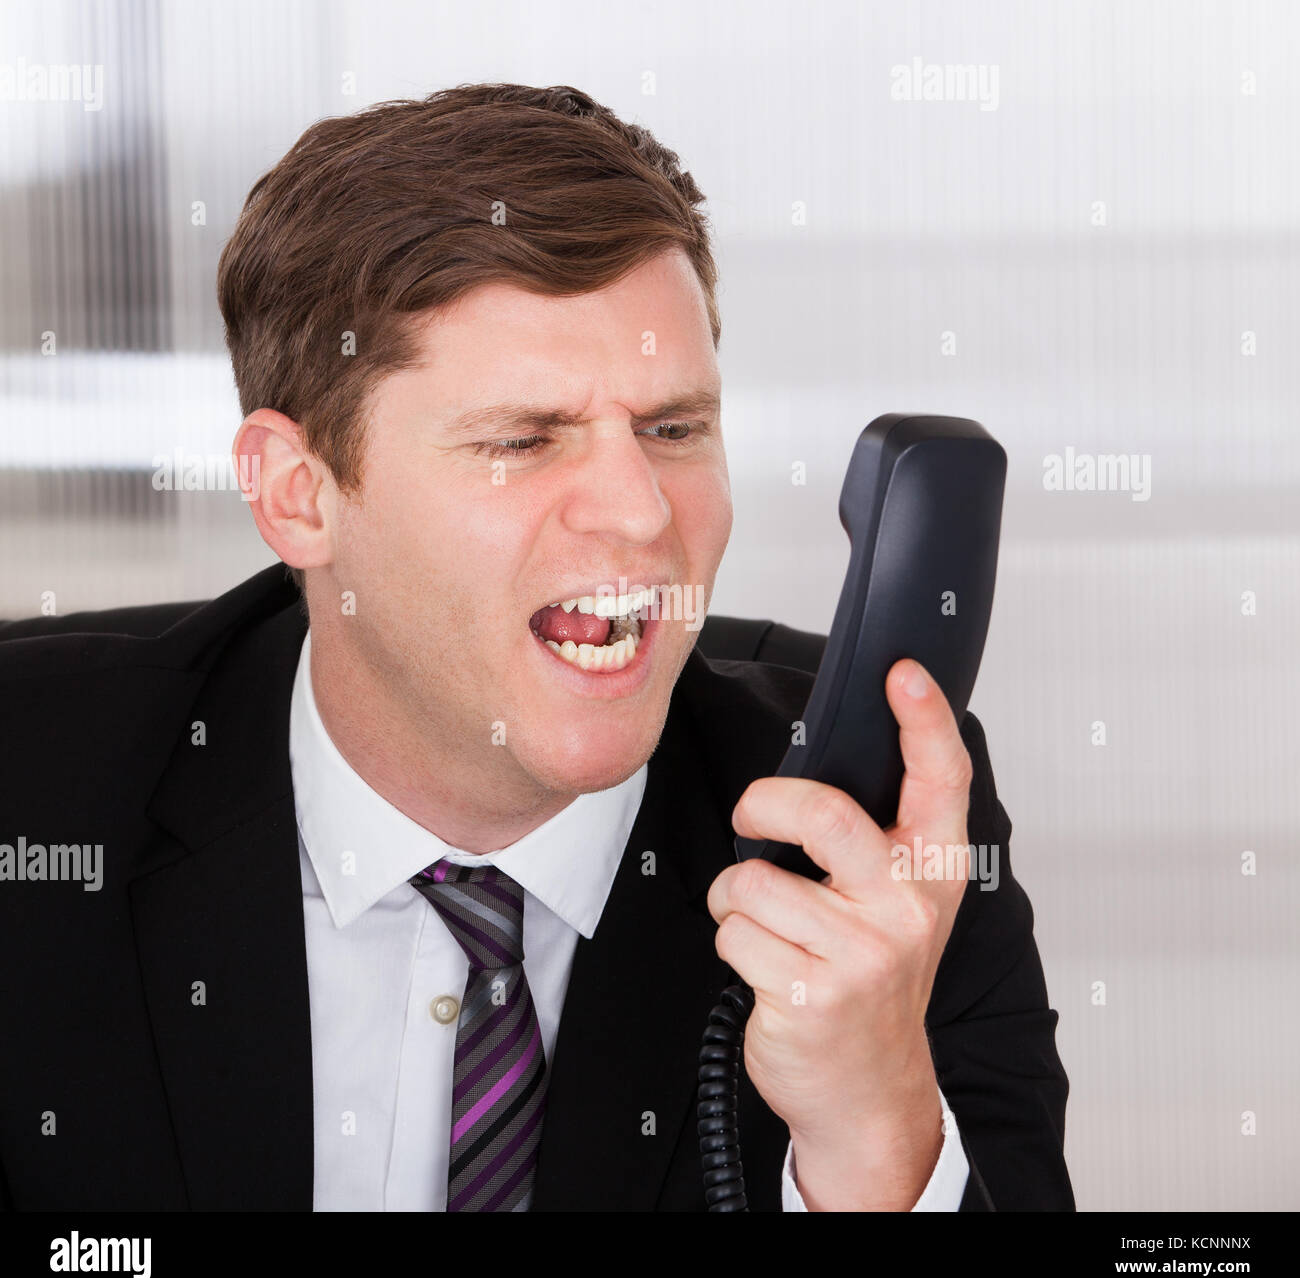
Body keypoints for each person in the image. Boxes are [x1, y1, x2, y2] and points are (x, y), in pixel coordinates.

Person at [0, 83, 1072, 1212]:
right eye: (521, 438)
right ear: (298, 494)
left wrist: (873, 1128)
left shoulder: (869, 819)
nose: (640, 512)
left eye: (672, 430)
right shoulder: (36, 780)